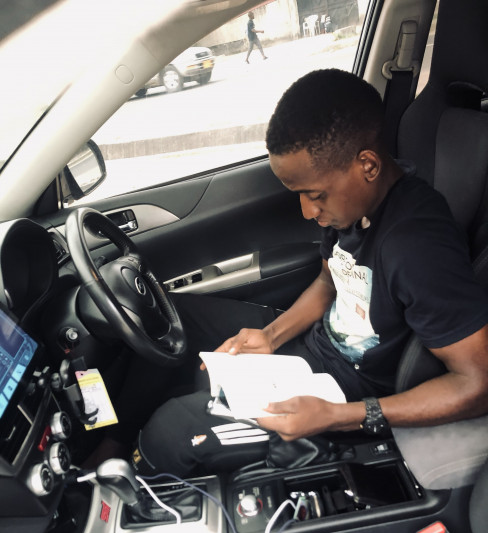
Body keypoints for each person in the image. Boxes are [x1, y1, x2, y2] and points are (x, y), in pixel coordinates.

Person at [132, 68, 488, 478]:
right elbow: (327, 281)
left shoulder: (418, 247)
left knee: (170, 433)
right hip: (312, 351)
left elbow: (477, 383)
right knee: (159, 315)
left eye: (315, 195)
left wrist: (341, 416)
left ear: (368, 165)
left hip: (346, 393)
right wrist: (270, 336)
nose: (307, 212)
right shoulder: (355, 206)